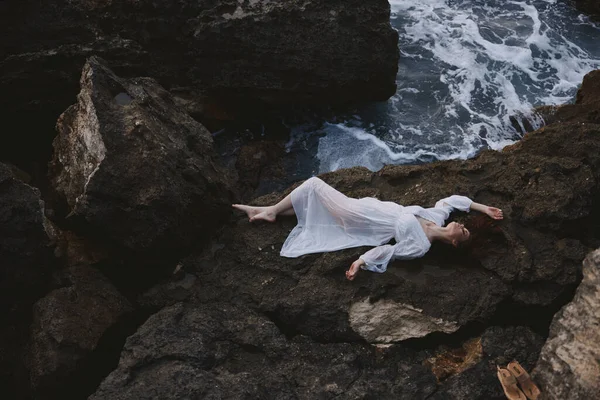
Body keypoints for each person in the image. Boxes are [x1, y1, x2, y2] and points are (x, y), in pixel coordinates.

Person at [233, 177, 503, 281]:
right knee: (314, 205)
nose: (461, 224)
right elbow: (450, 201)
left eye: (464, 232)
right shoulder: (437, 217)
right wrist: (483, 208)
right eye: (465, 226)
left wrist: (360, 262)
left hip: (361, 218)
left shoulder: (419, 246)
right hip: (368, 209)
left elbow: (388, 251)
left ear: (454, 243)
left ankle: (269, 211)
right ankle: (266, 210)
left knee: (314, 185)